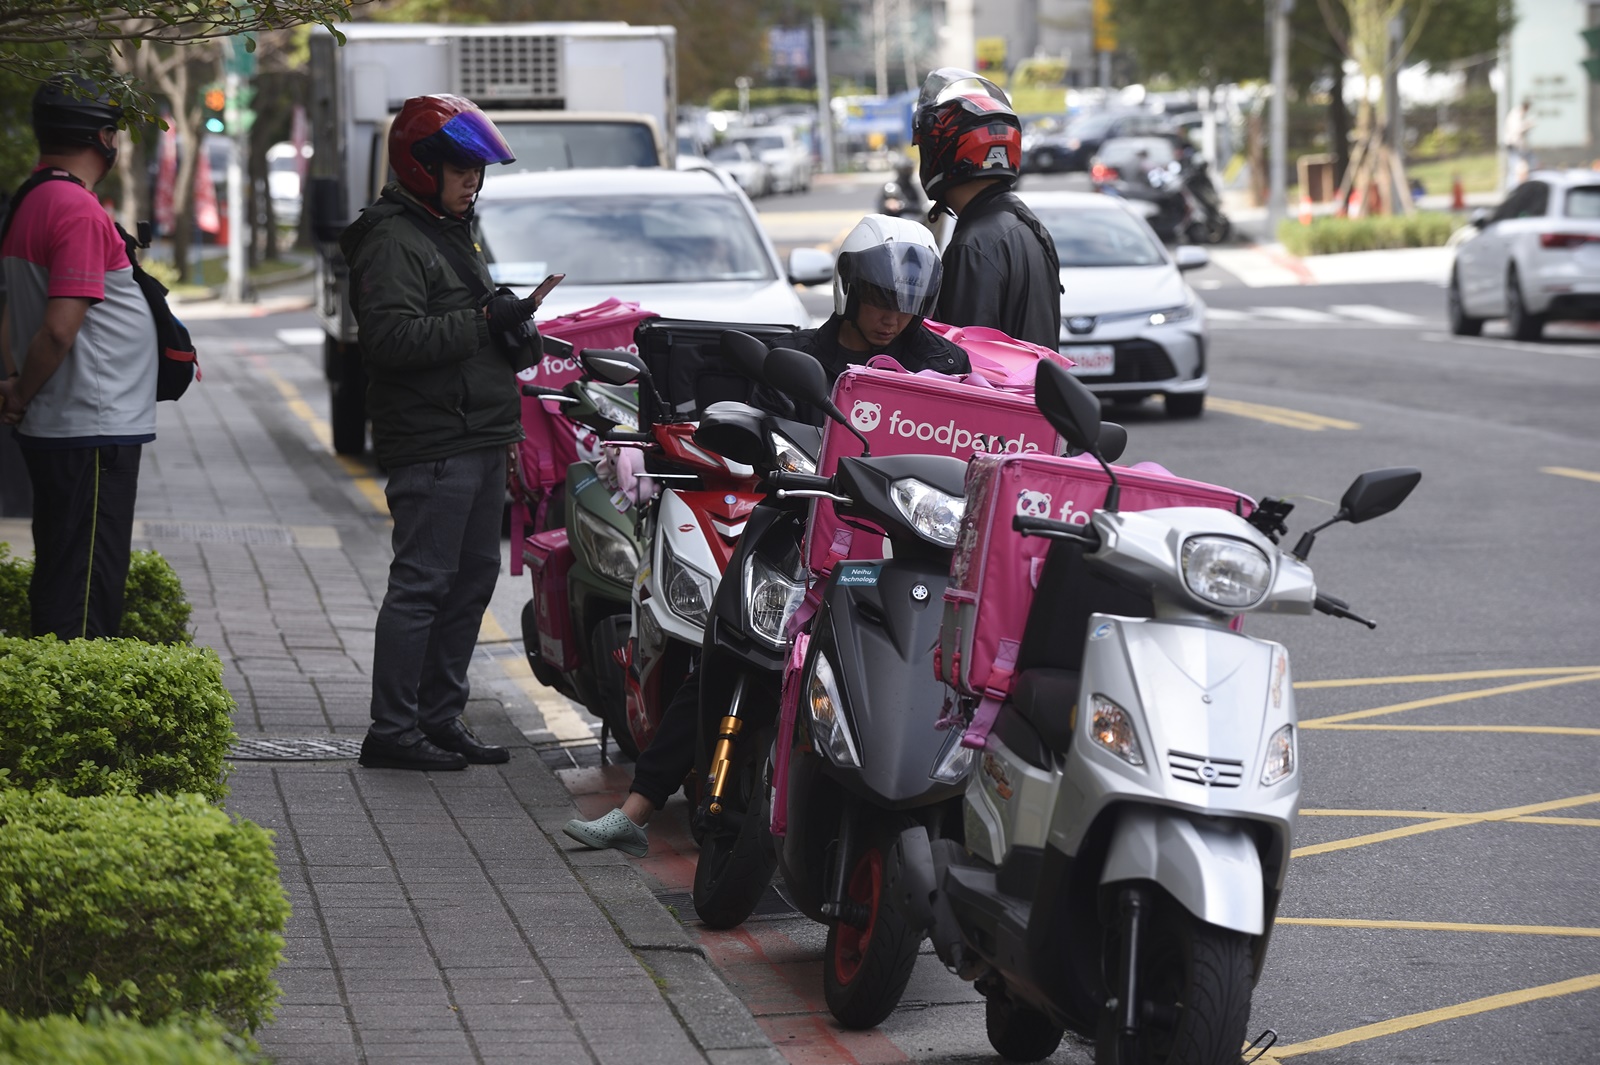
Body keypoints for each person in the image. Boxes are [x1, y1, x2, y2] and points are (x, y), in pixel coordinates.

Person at [563, 215, 969, 856]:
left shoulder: (945, 363)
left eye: (907, 305)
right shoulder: (805, 359)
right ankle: (638, 808)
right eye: (881, 300)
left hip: (902, 550)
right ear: (850, 288)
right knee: (728, 653)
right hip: (807, 540)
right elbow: (766, 440)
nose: (893, 318)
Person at [341, 94, 543, 772]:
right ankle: (394, 729)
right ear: (422, 167)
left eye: (479, 172)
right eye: (462, 170)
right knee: (424, 583)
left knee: (470, 581)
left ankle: (438, 716)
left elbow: (465, 319)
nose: (473, 182)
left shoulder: (450, 228)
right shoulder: (393, 236)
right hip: (433, 442)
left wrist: (510, 323)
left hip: (479, 433)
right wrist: (482, 323)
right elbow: (390, 339)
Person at [0, 75, 154, 640]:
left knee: (62, 574)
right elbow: (61, 329)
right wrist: (21, 389)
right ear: (104, 138)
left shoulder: (31, 198)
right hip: (90, 425)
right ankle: (75, 713)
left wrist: (17, 383)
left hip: (63, 423)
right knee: (86, 593)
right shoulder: (78, 210)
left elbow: (14, 313)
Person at [912, 67, 1062, 350]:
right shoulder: (1027, 225)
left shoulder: (974, 244)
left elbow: (964, 362)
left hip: (1003, 395)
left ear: (942, 153)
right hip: (1034, 394)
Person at [1504, 98, 1534, 189]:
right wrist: (1527, 125)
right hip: (1514, 145)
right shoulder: (1516, 114)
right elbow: (1517, 130)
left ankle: (1515, 187)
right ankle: (1513, 188)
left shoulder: (1518, 114)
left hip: (1516, 145)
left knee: (1517, 167)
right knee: (1515, 167)